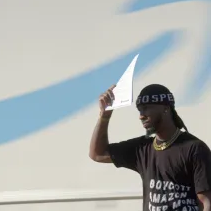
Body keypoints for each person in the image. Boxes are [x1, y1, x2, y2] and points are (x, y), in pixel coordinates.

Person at [89, 83, 211, 211]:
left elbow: (206, 203)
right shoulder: (142, 148)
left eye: (146, 108)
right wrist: (104, 116)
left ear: (165, 108)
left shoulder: (194, 148)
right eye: (140, 109)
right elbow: (98, 154)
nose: (141, 115)